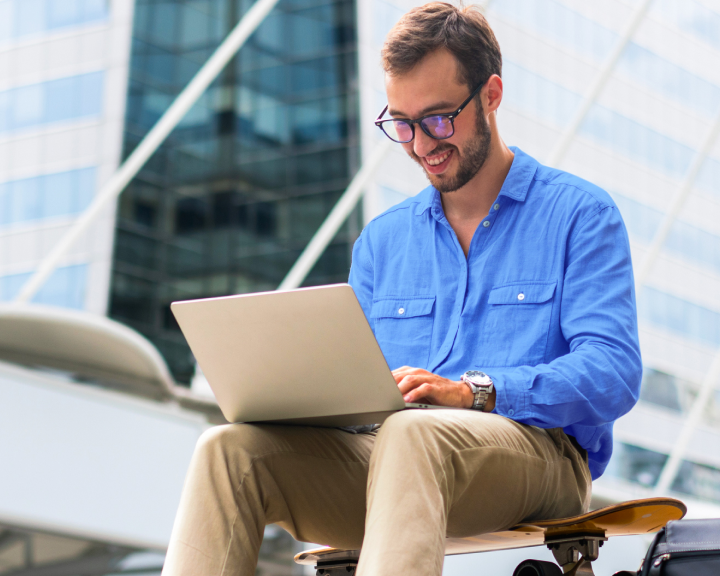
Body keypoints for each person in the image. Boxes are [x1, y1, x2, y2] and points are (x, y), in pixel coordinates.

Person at [161, 3, 641, 575]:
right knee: (227, 451)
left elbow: (613, 372)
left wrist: (474, 392)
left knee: (414, 433)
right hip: (387, 455)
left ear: (491, 95)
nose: (420, 145)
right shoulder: (382, 242)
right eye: (402, 124)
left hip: (540, 458)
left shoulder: (580, 215)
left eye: (439, 119)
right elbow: (354, 390)